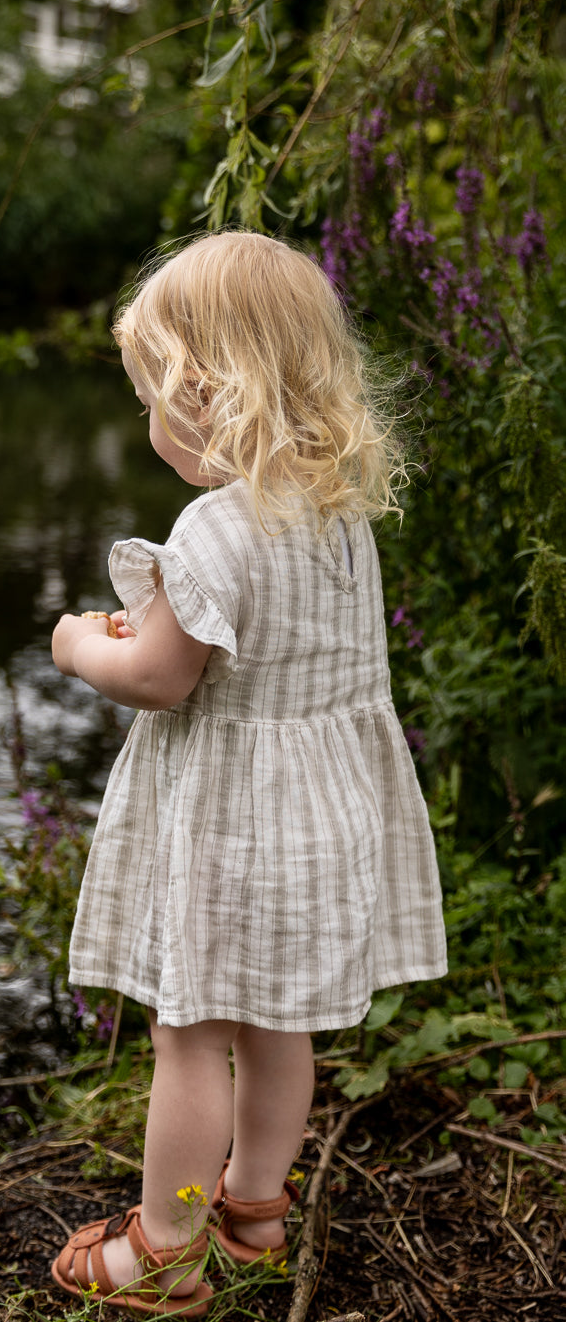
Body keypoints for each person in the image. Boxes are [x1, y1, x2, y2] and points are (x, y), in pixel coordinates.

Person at [48, 231, 448, 1316]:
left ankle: (165, 1245)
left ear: (202, 388)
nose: (147, 421)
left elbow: (162, 678)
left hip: (236, 826)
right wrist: (167, 620)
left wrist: (81, 644)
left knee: (191, 1036)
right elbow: (269, 647)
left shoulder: (214, 525)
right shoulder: (337, 514)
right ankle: (255, 1210)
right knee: (281, 1025)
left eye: (149, 394)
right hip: (324, 816)